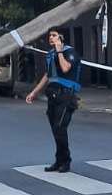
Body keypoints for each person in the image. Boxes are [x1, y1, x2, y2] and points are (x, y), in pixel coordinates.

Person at [26, 28, 81, 172]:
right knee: (55, 130)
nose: (50, 37)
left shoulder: (69, 52)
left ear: (61, 38)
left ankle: (66, 161)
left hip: (66, 95)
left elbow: (65, 68)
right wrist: (34, 92)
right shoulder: (50, 54)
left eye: (54, 35)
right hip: (53, 95)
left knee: (59, 127)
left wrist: (59, 51)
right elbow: (48, 75)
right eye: (49, 35)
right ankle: (59, 160)